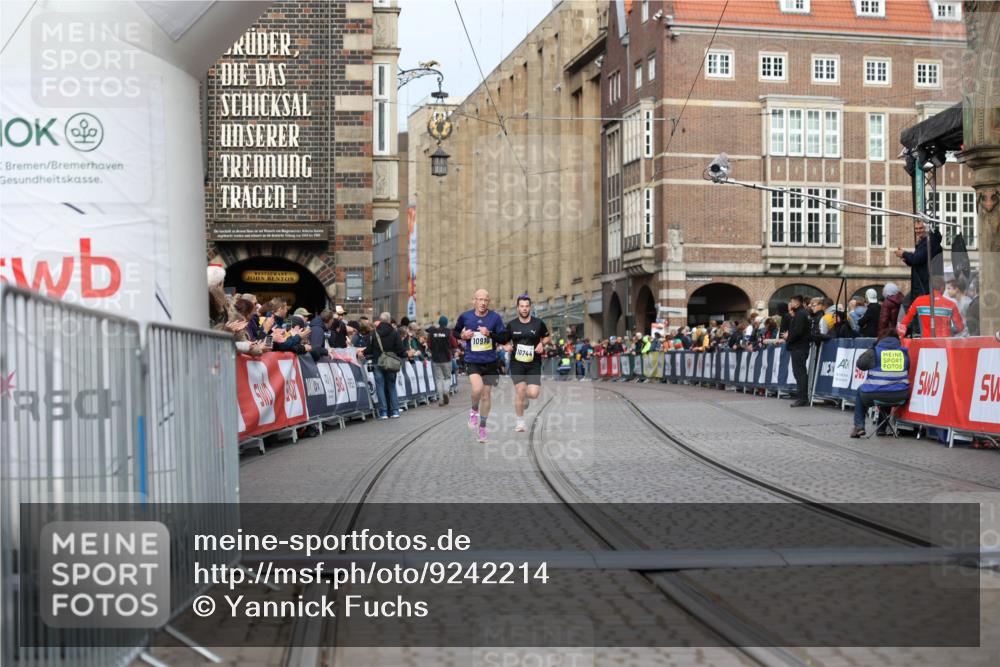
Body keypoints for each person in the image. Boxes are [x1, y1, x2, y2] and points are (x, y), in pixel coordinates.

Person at [454, 289, 509, 442]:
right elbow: (455, 332)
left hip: (490, 362)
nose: (483, 303)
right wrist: (462, 336)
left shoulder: (495, 318)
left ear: (488, 301)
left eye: (486, 300)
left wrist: (490, 334)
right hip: (473, 360)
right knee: (477, 389)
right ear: (474, 301)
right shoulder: (465, 317)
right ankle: (473, 410)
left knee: (486, 396)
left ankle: (483, 427)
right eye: (480, 299)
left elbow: (503, 337)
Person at [850, 330, 910, 438]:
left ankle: (859, 426)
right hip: (901, 395)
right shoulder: (903, 353)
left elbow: (860, 364)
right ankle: (881, 429)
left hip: (875, 394)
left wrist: (870, 349)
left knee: (860, 391)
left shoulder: (875, 351)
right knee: (888, 389)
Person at [504, 294, 550, 432]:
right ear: (518, 308)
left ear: (530, 307)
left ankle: (526, 397)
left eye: (526, 306)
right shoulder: (512, 324)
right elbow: (504, 339)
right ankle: (520, 423)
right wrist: (505, 345)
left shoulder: (538, 323)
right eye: (521, 306)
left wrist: (542, 343)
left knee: (533, 393)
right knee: (520, 390)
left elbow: (547, 337)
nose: (524, 309)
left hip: (534, 362)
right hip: (517, 362)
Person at [897, 275, 967, 338]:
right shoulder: (951, 304)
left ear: (930, 287)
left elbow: (904, 323)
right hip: (945, 344)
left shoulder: (919, 301)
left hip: (926, 343)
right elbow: (960, 327)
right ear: (942, 288)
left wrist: (901, 338)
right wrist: (949, 329)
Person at [365, 312, 406, 419]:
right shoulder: (394, 332)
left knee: (380, 387)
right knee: (392, 386)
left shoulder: (374, 333)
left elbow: (368, 349)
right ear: (389, 320)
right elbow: (400, 349)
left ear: (380, 320)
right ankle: (395, 410)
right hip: (391, 363)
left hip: (377, 362)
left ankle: (383, 412)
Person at [895, 220, 943, 299]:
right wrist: (906, 258)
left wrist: (904, 254)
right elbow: (918, 260)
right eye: (916, 229)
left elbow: (917, 258)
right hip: (921, 284)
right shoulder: (924, 241)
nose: (918, 231)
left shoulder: (930, 241)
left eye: (920, 228)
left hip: (925, 285)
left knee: (908, 305)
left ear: (927, 229)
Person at [783, 295, 811, 407]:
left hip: (799, 347)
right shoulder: (803, 313)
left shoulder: (800, 314)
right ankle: (802, 397)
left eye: (792, 302)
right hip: (801, 346)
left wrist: (788, 336)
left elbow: (798, 331)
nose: (790, 304)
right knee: (800, 372)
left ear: (797, 303)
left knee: (799, 373)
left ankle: (802, 398)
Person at [427, 316, 458, 405]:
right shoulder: (449, 332)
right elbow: (454, 344)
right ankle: (445, 391)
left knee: (438, 379)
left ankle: (441, 399)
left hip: (436, 359)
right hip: (447, 358)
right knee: (447, 377)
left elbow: (429, 345)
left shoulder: (432, 333)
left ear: (439, 322)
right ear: (446, 323)